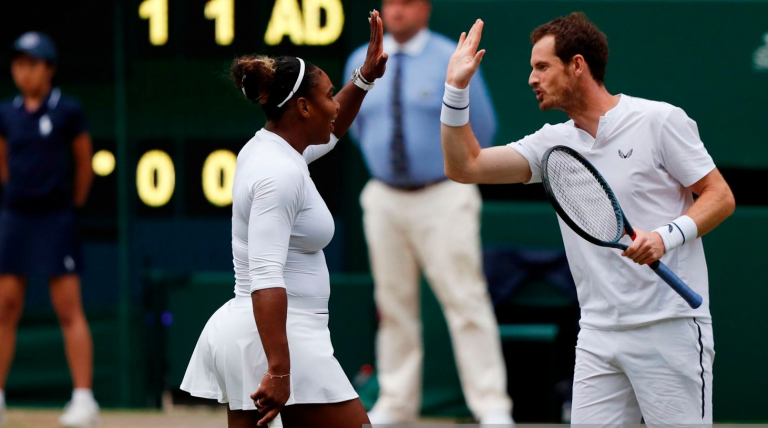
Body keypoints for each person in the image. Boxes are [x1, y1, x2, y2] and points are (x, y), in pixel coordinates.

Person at [440, 13, 735, 425]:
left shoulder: (659, 121)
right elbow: (465, 166)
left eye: (542, 66)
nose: (531, 78)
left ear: (577, 65)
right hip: (597, 335)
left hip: (669, 327)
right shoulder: (551, 143)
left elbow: (720, 195)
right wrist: (456, 88)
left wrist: (666, 237)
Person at [179, 10, 388, 428]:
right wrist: (279, 368)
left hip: (261, 335)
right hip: (279, 337)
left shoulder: (272, 149)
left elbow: (332, 130)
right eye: (329, 95)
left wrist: (363, 79)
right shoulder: (278, 174)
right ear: (304, 107)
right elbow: (265, 275)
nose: (335, 103)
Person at [343, 0, 514, 425]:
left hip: (444, 195)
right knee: (392, 303)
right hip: (384, 197)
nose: (396, 11)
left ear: (425, 9)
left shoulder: (447, 57)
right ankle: (396, 402)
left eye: (406, 3)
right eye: (390, 3)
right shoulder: (360, 59)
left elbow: (484, 128)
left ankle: (491, 406)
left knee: (465, 298)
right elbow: (353, 124)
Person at [0, 32, 99, 427]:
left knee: (68, 309)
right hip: (16, 219)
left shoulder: (68, 111)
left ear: (49, 69)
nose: (23, 71)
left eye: (32, 63)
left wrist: (67, 207)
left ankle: (83, 399)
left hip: (56, 219)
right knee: (5, 307)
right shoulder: (6, 113)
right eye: (18, 63)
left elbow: (84, 166)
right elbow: (4, 164)